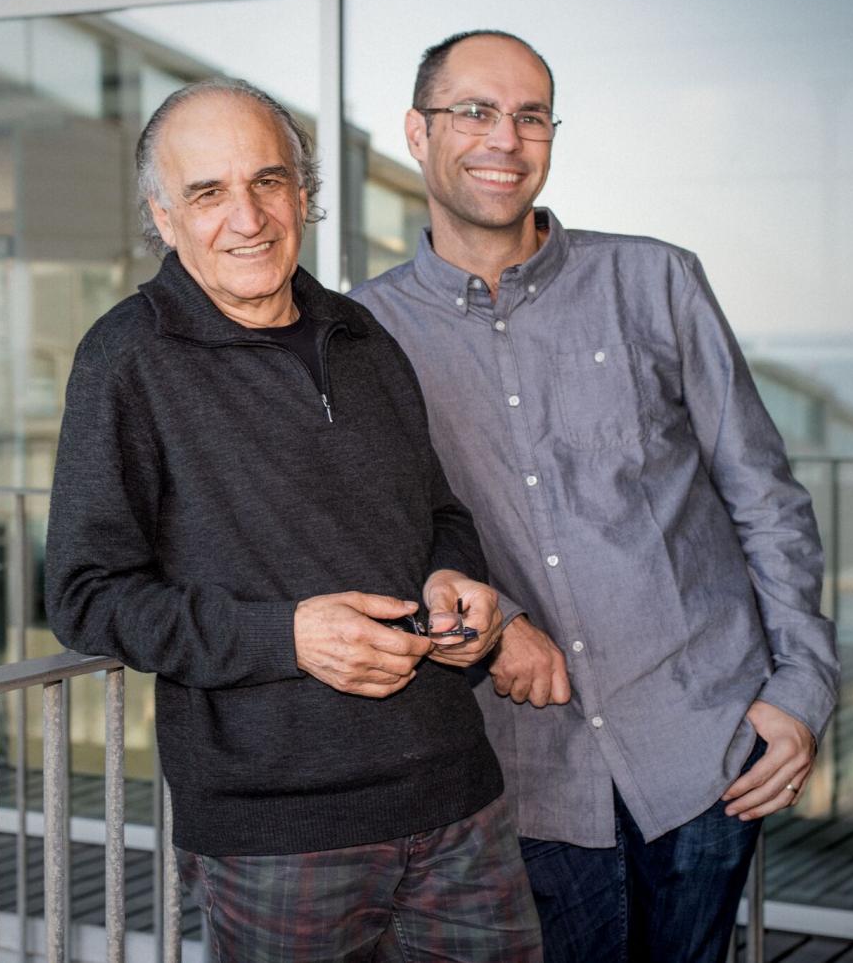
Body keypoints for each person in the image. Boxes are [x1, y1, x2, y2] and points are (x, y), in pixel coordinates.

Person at [351, 31, 840, 963]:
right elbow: (379, 533)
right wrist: (501, 623)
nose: (506, 138)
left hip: (703, 749)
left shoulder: (656, 280)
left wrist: (802, 685)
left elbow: (763, 493)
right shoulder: (364, 333)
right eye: (476, 112)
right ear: (418, 132)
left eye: (530, 116)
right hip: (521, 774)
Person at [45, 77, 543, 962]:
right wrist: (289, 638)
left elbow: (438, 512)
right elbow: (88, 596)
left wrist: (453, 580)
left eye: (268, 182)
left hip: (458, 797)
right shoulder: (125, 359)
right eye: (207, 192)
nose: (247, 217)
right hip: (278, 837)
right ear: (163, 218)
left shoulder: (361, 334)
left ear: (303, 196)